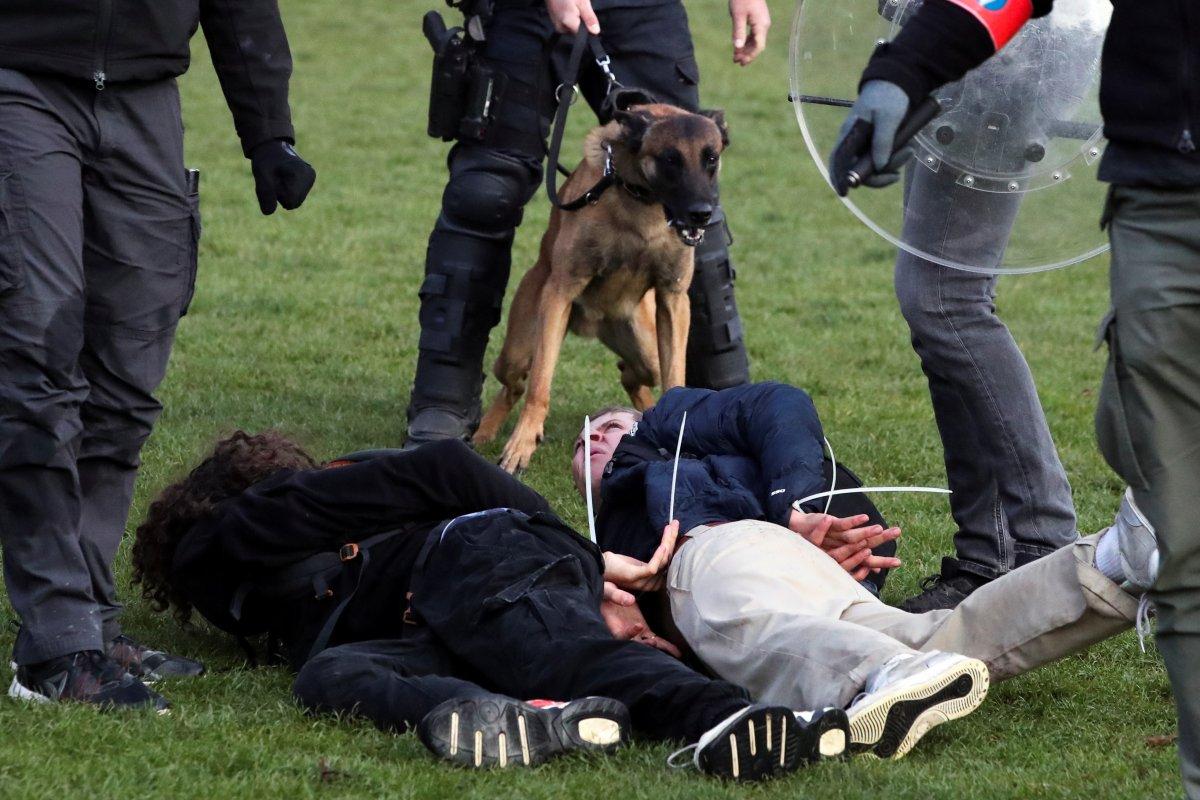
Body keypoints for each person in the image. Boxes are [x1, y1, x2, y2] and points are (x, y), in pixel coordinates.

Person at [827, 1, 1200, 795]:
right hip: (1160, 185)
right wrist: (905, 68)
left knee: (946, 297)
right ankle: (1014, 547)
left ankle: (1037, 539)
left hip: (1046, 78)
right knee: (1170, 507)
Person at [130, 433, 849, 780]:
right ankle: (516, 718)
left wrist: (589, 559)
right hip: (440, 617)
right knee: (329, 677)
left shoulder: (248, 522)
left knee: (557, 652)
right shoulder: (286, 582)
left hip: (477, 561)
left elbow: (446, 465)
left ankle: (728, 719)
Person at [0, 1, 317, 711]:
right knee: (37, 365)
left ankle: (91, 622)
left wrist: (270, 132)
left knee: (127, 379)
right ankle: (54, 644)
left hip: (144, 96)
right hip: (18, 81)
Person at [574, 383, 1151, 759]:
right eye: (582, 445)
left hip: (726, 548)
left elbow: (778, 405)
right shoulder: (595, 542)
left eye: (609, 428)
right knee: (927, 642)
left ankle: (880, 671)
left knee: (737, 620)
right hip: (809, 579)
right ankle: (1113, 564)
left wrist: (793, 507)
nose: (595, 439)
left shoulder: (665, 430)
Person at [403, 0, 770, 447]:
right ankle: (444, 396)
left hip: (644, 8)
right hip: (523, 10)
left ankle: (717, 407)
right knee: (484, 192)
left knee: (688, 176)